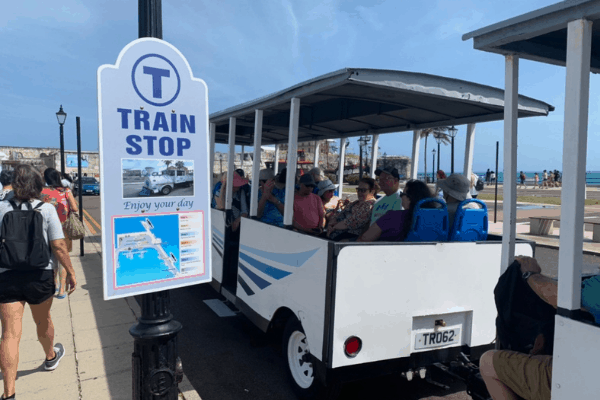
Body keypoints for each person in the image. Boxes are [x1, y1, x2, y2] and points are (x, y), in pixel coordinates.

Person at [0, 164, 77, 400]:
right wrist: (71, 273)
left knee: (10, 334)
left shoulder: (1, 208)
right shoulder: (47, 209)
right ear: (37, 184)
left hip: (7, 275)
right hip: (40, 275)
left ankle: (9, 393)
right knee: (43, 321)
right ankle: (50, 357)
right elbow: (59, 246)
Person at [479, 256, 600, 400]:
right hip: (588, 368)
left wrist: (530, 274)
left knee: (488, 362)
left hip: (586, 378)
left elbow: (560, 297)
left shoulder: (595, 289)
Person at [40, 168, 79, 299]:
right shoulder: (66, 191)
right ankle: (62, 290)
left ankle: (54, 284)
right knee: (63, 258)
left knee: (51, 258)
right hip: (63, 230)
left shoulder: (41, 192)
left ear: (45, 178)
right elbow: (74, 208)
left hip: (44, 230)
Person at [358, 179, 433, 242]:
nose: (401, 197)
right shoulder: (434, 218)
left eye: (402, 194)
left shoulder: (392, 217)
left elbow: (365, 239)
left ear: (409, 198)